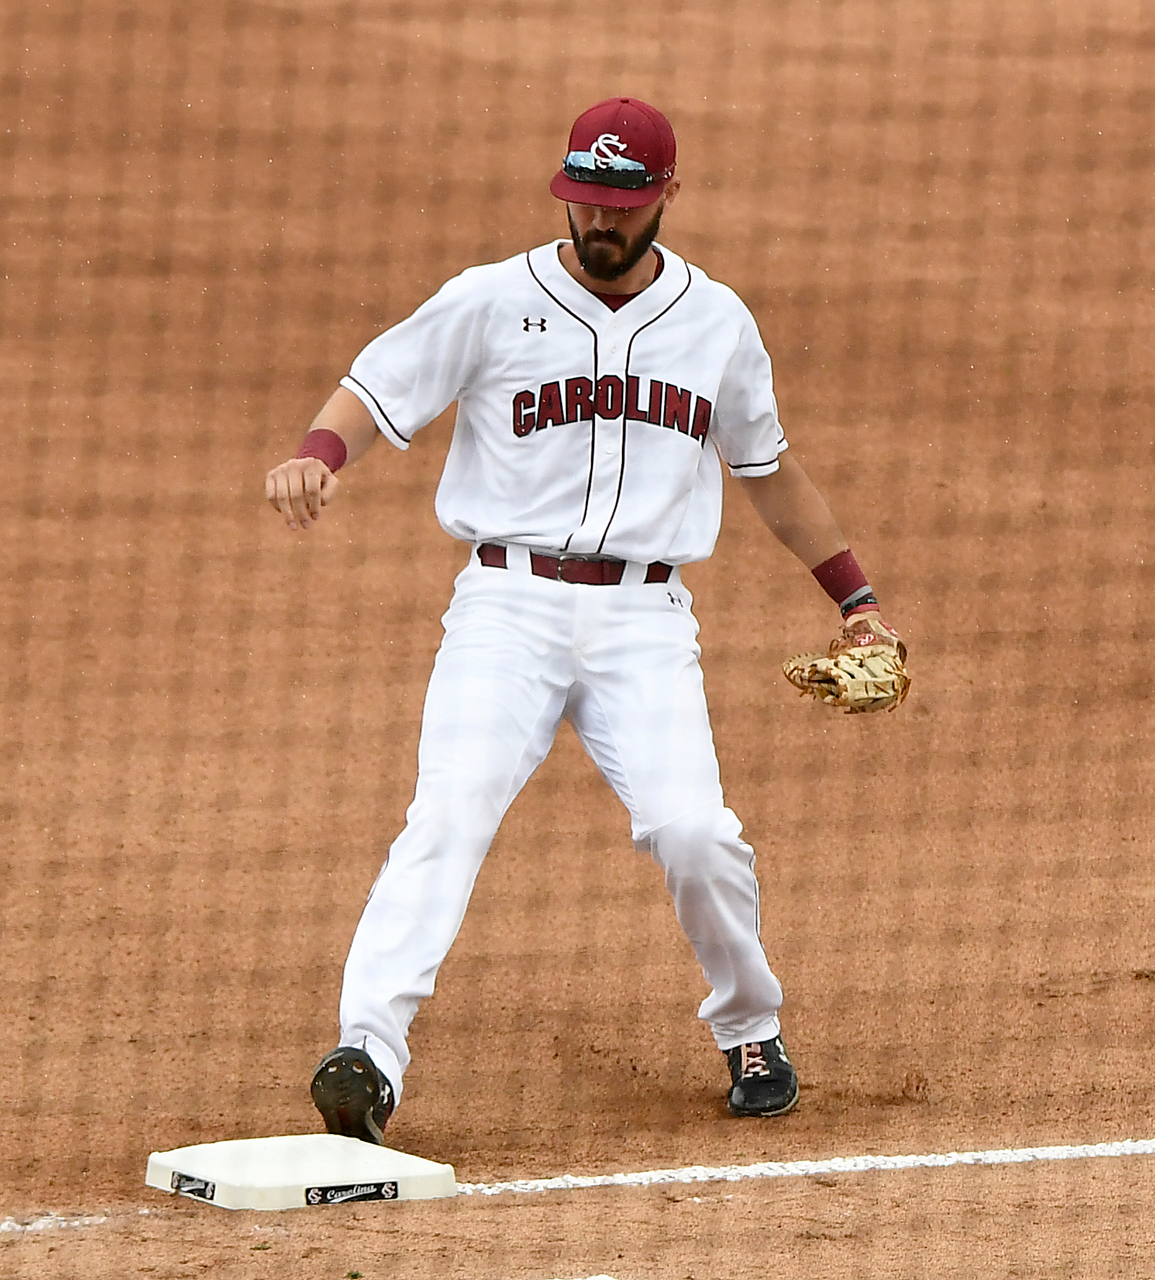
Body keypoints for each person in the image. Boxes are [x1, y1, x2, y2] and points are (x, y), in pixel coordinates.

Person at [265, 96, 903, 1142]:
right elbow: (374, 387)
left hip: (645, 623)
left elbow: (769, 471)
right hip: (505, 608)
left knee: (696, 831)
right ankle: (367, 1055)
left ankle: (751, 1025)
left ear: (665, 196)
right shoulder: (489, 300)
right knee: (449, 813)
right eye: (585, 204)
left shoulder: (717, 323)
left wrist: (857, 597)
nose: (599, 225)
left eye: (620, 205)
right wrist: (318, 457)